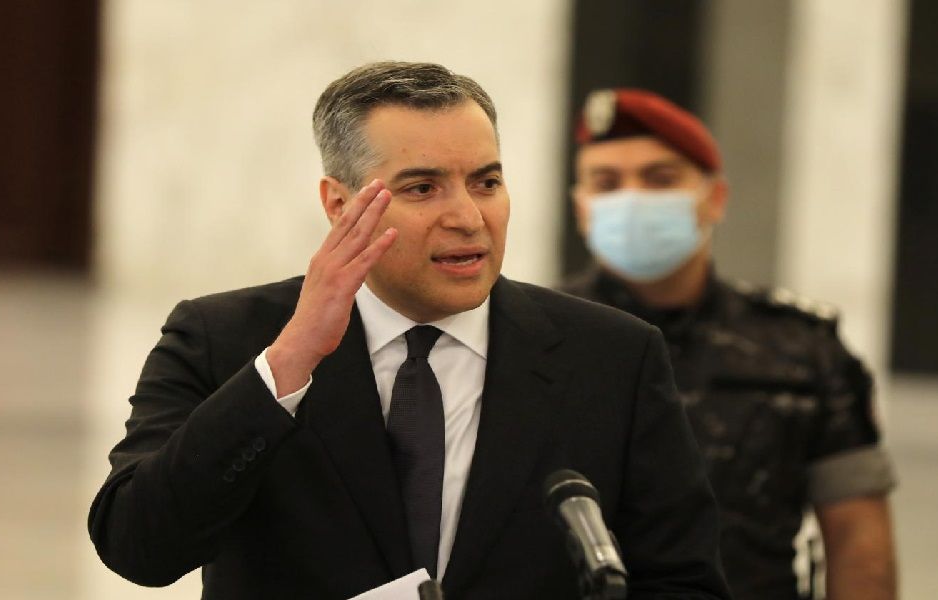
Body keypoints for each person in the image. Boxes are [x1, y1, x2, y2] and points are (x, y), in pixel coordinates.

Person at [88, 63, 732, 599]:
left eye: (486, 182)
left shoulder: (613, 356)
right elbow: (138, 548)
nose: (467, 216)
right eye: (423, 188)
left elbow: (683, 582)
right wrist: (289, 363)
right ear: (339, 205)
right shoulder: (222, 338)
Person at [561, 88, 898, 600]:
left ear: (714, 198)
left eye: (660, 179)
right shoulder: (538, 335)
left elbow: (856, 533)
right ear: (582, 208)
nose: (631, 200)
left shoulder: (801, 348)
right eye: (606, 183)